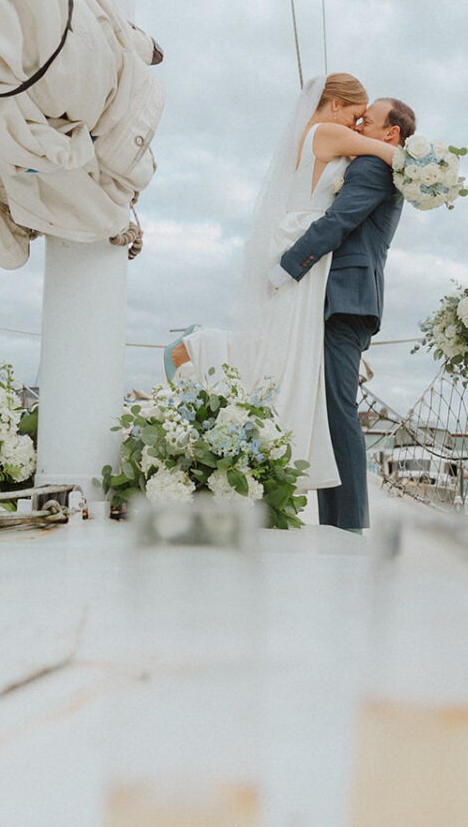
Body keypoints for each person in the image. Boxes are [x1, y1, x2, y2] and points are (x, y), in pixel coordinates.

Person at [169, 74, 404, 501]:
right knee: (289, 359)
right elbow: (388, 154)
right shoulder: (327, 131)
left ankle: (213, 372)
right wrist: (422, 163)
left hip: (295, 245)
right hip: (305, 255)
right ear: (334, 105)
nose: (355, 126)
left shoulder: (310, 135)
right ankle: (204, 352)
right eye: (356, 115)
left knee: (282, 352)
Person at [273, 96, 416, 531]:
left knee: (338, 408)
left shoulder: (373, 167)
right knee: (330, 410)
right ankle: (335, 522)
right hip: (343, 297)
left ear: (390, 133)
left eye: (367, 121)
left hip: (347, 297)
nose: (358, 126)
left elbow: (339, 221)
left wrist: (285, 268)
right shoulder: (376, 161)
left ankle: (350, 525)